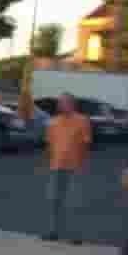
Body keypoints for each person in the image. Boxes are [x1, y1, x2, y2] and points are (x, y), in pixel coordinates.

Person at [42, 92, 92, 244]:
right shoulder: (53, 122)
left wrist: (82, 163)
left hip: (75, 167)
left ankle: (75, 236)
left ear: (72, 104)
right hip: (55, 166)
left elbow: (86, 143)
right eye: (59, 102)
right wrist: (49, 162)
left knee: (73, 202)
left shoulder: (83, 121)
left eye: (63, 102)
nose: (60, 105)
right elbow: (49, 144)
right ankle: (53, 232)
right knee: (53, 200)